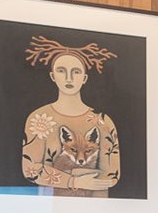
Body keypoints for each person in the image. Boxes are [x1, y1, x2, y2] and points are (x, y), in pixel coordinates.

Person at [20, 36, 121, 196]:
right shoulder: (39, 118)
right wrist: (75, 181)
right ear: (53, 76)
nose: (69, 78)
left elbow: (112, 175)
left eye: (76, 72)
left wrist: (61, 174)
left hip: (97, 207)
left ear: (84, 78)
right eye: (62, 71)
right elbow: (30, 169)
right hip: (54, 205)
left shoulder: (103, 121)